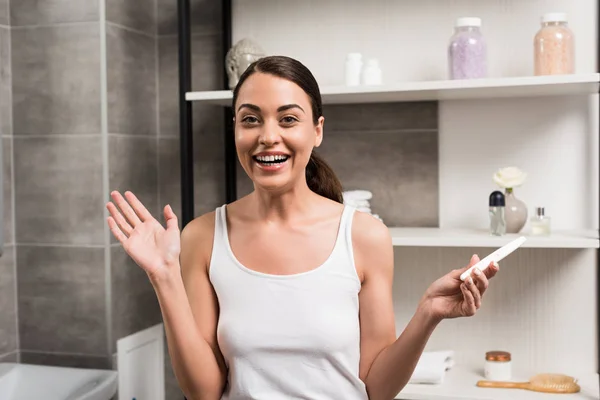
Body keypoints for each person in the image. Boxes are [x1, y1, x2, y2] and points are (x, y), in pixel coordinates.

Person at [106, 55, 499, 400]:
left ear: (317, 130)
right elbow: (203, 391)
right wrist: (164, 277)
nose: (267, 136)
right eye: (250, 120)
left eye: (288, 119)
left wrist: (428, 313)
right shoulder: (203, 236)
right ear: (236, 130)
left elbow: (375, 388)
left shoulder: (364, 236)